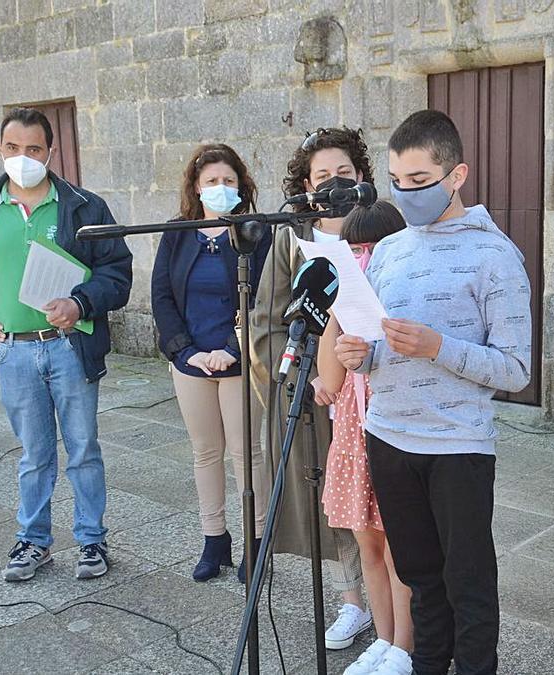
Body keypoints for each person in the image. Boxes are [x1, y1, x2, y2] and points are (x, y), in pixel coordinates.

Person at [336, 109, 533, 675]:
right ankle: (427, 664)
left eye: (419, 181)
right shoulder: (393, 248)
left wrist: (437, 347)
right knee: (421, 577)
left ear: (456, 175)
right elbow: (372, 342)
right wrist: (360, 355)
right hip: (388, 435)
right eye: (397, 181)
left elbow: (516, 369)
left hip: (456, 446)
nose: (406, 193)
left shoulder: (495, 257)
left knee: (467, 584)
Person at [0, 107, 132, 582]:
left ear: (50, 152)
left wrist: (81, 303)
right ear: (0, 149)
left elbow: (117, 271)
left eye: (34, 149)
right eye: (13, 148)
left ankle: (91, 541)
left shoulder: (83, 205)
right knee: (34, 453)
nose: (23, 157)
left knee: (83, 448)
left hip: (68, 345)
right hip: (12, 350)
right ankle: (34, 541)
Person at [249, 127, 372, 649]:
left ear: (362, 176)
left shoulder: (381, 226)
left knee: (382, 507)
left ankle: (401, 609)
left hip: (372, 386)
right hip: (316, 390)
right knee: (339, 503)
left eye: (344, 173)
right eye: (323, 175)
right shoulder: (290, 236)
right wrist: (306, 379)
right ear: (306, 183)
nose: (334, 183)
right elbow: (267, 319)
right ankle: (354, 602)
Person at [151, 143, 273, 583]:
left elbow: (263, 298)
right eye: (211, 182)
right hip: (191, 360)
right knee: (205, 453)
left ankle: (257, 543)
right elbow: (162, 295)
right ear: (195, 188)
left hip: (240, 358)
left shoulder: (257, 233)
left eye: (228, 181)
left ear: (241, 187)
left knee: (246, 453)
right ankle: (213, 539)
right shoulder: (177, 231)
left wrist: (231, 348)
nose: (220, 188)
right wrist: (186, 351)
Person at [317, 201, 414, 675]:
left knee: (400, 548)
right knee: (367, 542)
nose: (363, 258)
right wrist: (339, 308)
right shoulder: (347, 308)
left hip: (394, 429)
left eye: (372, 248)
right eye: (354, 249)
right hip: (354, 431)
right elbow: (329, 378)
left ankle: (405, 647)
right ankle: (382, 637)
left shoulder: (407, 299)